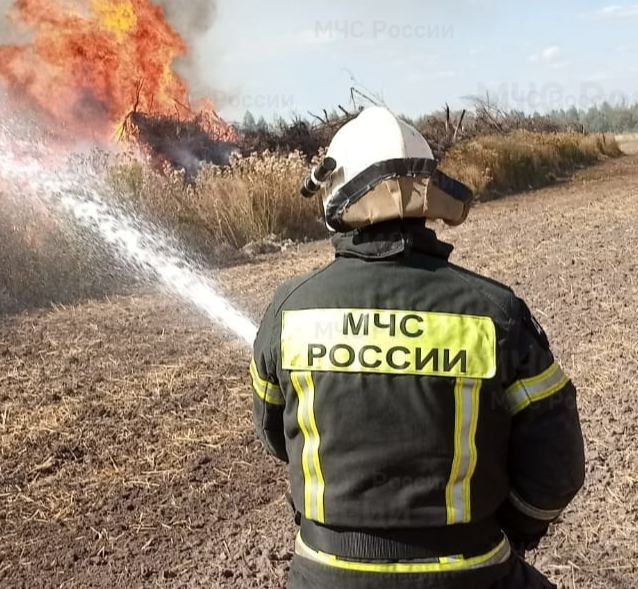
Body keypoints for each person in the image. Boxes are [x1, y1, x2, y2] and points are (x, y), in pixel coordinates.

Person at [249, 106, 586, 589]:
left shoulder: (290, 310)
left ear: (334, 193)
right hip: (472, 573)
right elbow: (558, 460)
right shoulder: (496, 312)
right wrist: (514, 528)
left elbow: (275, 436)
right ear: (428, 196)